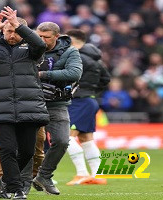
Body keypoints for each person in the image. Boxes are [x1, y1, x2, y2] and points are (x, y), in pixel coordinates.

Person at [0, 6, 49, 199]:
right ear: (3, 32)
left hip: (28, 107)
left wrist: (19, 26)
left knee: (27, 151)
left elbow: (40, 45)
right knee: (6, 149)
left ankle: (6, 182)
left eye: (15, 31)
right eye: (8, 31)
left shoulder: (31, 51)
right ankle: (16, 189)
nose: (11, 35)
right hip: (0, 107)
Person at [32, 22, 83, 195]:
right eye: (39, 36)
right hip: (30, 103)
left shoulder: (70, 51)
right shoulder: (28, 48)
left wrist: (43, 74)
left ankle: (44, 175)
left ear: (56, 37)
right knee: (26, 144)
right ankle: (18, 181)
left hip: (57, 104)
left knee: (61, 141)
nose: (41, 40)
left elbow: (74, 73)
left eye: (46, 37)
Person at [64, 29, 111, 185]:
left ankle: (82, 173)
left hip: (78, 101)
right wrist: (91, 91)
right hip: (90, 100)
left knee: (65, 137)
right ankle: (98, 175)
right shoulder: (97, 59)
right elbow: (106, 79)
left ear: (73, 41)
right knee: (86, 139)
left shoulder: (77, 57)